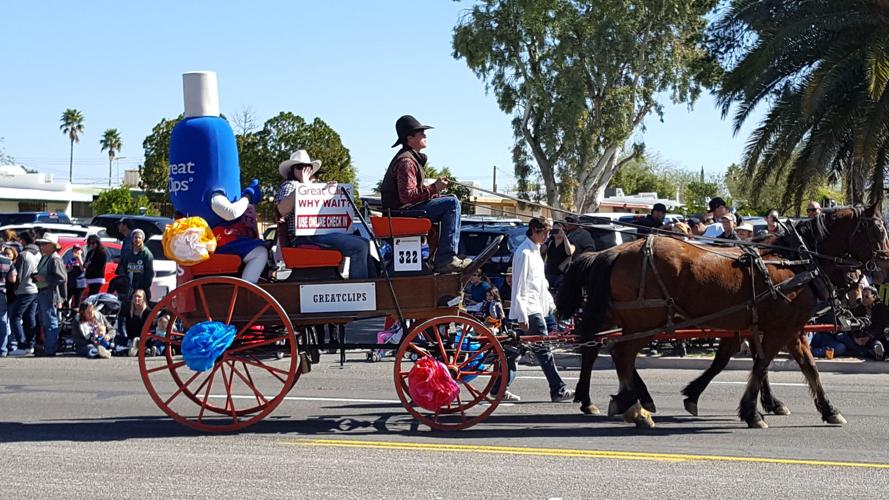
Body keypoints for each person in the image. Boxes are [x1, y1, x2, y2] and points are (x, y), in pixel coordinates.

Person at [379, 115, 470, 274]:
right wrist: (435, 188)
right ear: (410, 138)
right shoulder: (406, 162)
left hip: (399, 212)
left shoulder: (408, 159)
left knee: (451, 200)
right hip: (401, 214)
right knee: (452, 204)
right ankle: (446, 258)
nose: (425, 135)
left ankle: (435, 258)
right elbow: (408, 197)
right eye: (421, 133)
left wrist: (436, 193)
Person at [503, 217, 574, 403]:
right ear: (534, 230)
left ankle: (498, 388)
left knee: (514, 351)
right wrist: (522, 314)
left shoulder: (535, 252)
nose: (547, 236)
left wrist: (551, 305)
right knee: (543, 351)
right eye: (545, 232)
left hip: (539, 307)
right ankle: (558, 390)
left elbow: (541, 284)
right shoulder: (524, 253)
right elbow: (519, 285)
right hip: (529, 309)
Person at [275, 150, 371, 279]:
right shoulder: (290, 185)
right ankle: (360, 286)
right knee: (359, 246)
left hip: (321, 233)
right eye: (299, 167)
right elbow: (282, 210)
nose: (304, 171)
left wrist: (332, 191)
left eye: (307, 167)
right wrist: (303, 187)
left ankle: (373, 282)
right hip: (305, 237)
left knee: (365, 242)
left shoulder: (314, 186)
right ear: (292, 170)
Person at [33, 233, 66, 356]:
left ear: (52, 245)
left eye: (44, 244)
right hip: (44, 291)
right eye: (41, 244)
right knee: (45, 321)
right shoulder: (46, 257)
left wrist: (45, 278)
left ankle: (50, 349)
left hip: (50, 293)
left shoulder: (55, 259)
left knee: (50, 321)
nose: (41, 246)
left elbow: (62, 277)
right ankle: (48, 346)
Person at [8, 230, 40, 356]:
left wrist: (14, 288)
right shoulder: (38, 253)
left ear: (22, 240)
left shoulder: (24, 254)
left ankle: (21, 345)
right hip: (35, 288)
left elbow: (18, 275)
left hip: (24, 289)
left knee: (15, 317)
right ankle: (30, 345)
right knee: (29, 317)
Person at [119, 229, 154, 302]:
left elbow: (149, 273)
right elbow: (122, 267)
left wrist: (144, 287)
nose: (137, 240)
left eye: (139, 238)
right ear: (132, 239)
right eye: (135, 237)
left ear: (142, 239)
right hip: (129, 287)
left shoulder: (146, 254)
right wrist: (124, 279)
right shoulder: (128, 252)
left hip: (141, 288)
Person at [122, 289, 151, 357]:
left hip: (143, 339)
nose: (136, 298)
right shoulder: (130, 312)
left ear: (143, 299)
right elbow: (127, 327)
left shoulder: (148, 312)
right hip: (131, 339)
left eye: (139, 297)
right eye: (135, 296)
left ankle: (139, 350)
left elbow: (150, 328)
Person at [0, 244, 17, 357]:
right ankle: (2, 349)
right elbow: (12, 279)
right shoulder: (7, 261)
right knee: (2, 321)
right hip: (1, 292)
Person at [65, 243, 86, 308]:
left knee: (77, 301)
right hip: (71, 282)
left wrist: (78, 258)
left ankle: (76, 311)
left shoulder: (83, 260)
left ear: (81, 251)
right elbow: (67, 270)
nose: (76, 251)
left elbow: (83, 269)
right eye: (74, 250)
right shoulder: (71, 260)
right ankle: (67, 310)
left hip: (80, 284)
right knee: (67, 299)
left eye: (78, 250)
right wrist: (69, 268)